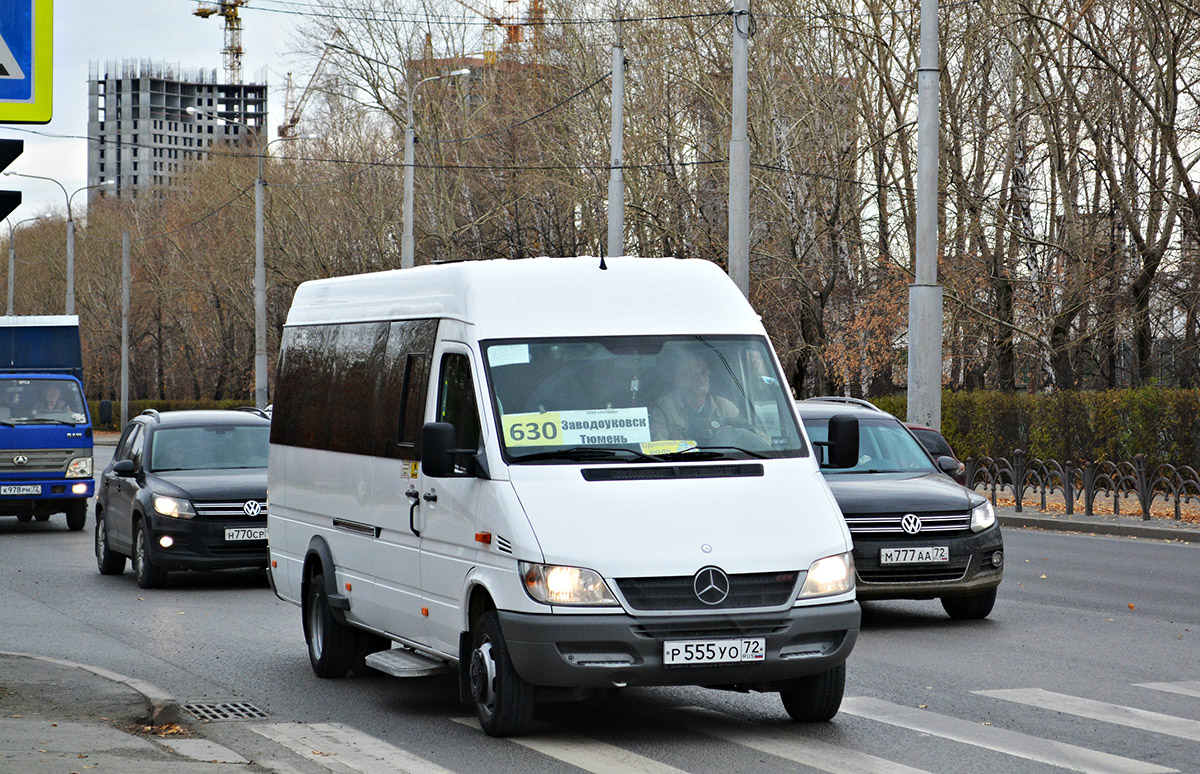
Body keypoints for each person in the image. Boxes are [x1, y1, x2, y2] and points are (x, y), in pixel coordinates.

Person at [649, 349, 742, 442]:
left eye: (703, 372)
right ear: (679, 380)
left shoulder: (727, 408)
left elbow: (747, 440)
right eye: (693, 374)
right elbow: (660, 447)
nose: (701, 379)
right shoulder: (664, 410)